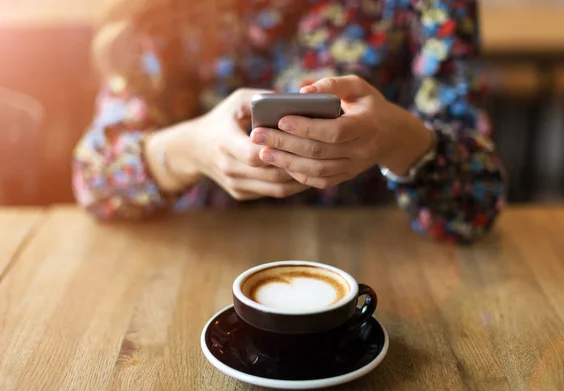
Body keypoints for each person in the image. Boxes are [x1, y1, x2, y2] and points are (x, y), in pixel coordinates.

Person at [73, 0, 505, 244]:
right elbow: (95, 178)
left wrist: (395, 138)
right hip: (195, 258)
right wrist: (192, 148)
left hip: (370, 261)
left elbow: (477, 204)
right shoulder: (157, 13)